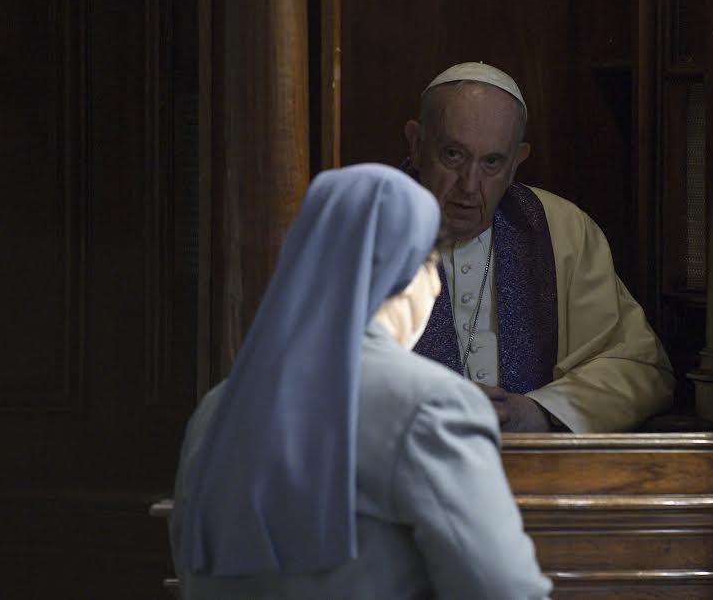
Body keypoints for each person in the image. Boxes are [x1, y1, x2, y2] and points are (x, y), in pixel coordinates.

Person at [170, 164, 551, 599]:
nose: (435, 289)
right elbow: (504, 591)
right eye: (433, 269)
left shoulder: (214, 411)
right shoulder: (434, 405)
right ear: (412, 273)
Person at [406, 62, 675, 433]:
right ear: (417, 145)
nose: (469, 185)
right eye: (453, 154)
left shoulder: (562, 228)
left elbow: (639, 366)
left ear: (516, 162)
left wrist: (536, 412)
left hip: (535, 462)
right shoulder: (359, 231)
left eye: (492, 162)